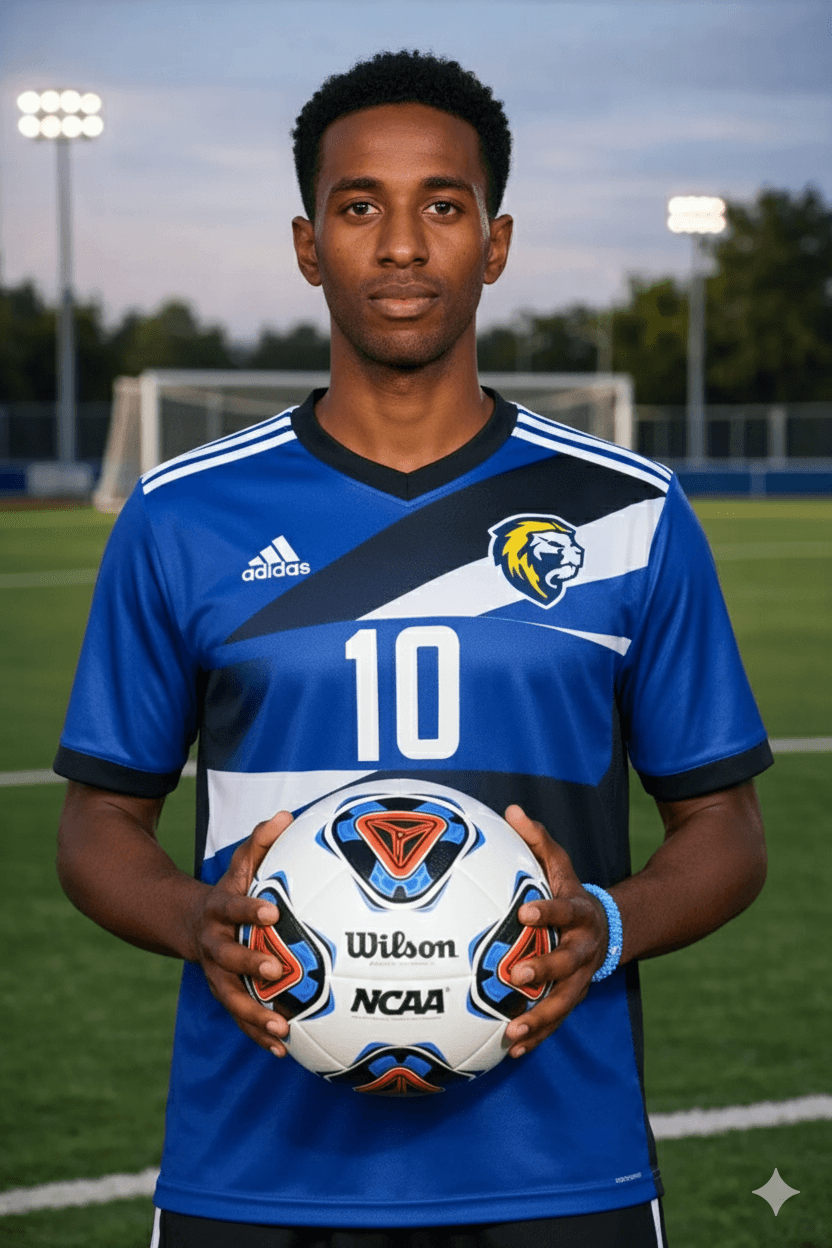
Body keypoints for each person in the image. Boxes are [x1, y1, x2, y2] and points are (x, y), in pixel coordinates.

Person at [55, 49, 771, 1248]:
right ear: (306, 244)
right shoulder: (180, 517)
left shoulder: (627, 511)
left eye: (441, 204)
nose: (400, 245)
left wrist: (613, 919)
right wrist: (194, 921)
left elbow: (728, 832)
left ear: (493, 244)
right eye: (358, 207)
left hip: (560, 1166)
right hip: (256, 1168)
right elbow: (95, 824)